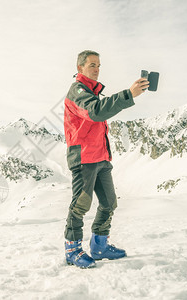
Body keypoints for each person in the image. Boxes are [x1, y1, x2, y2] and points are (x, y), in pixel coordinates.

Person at [64, 50, 149, 268]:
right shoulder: (78, 91)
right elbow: (95, 112)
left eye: (99, 65)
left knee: (109, 202)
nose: (97, 69)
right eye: (92, 65)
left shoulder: (92, 91)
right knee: (80, 205)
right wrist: (128, 95)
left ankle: (99, 245)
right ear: (79, 68)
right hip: (84, 158)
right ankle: (72, 250)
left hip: (100, 157)